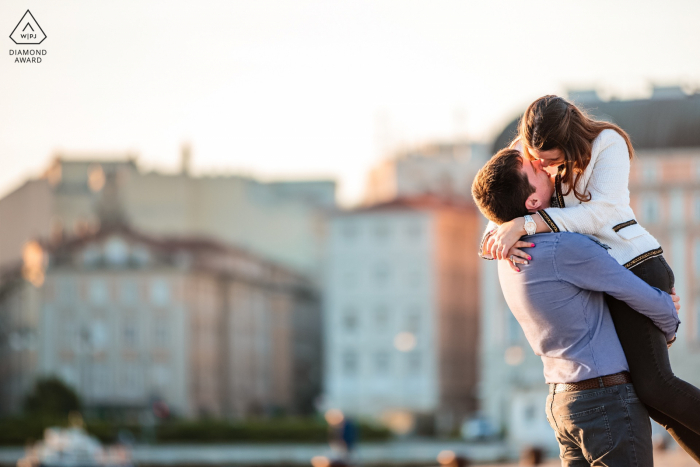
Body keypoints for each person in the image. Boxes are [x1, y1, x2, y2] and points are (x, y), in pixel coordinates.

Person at [478, 95, 700, 462]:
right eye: (537, 160)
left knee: (656, 387)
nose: (545, 167)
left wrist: (525, 224)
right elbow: (499, 207)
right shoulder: (528, 153)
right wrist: (496, 243)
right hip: (596, 275)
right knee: (653, 400)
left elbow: (599, 215)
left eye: (551, 159)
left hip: (634, 264)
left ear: (568, 140)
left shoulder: (607, 144)